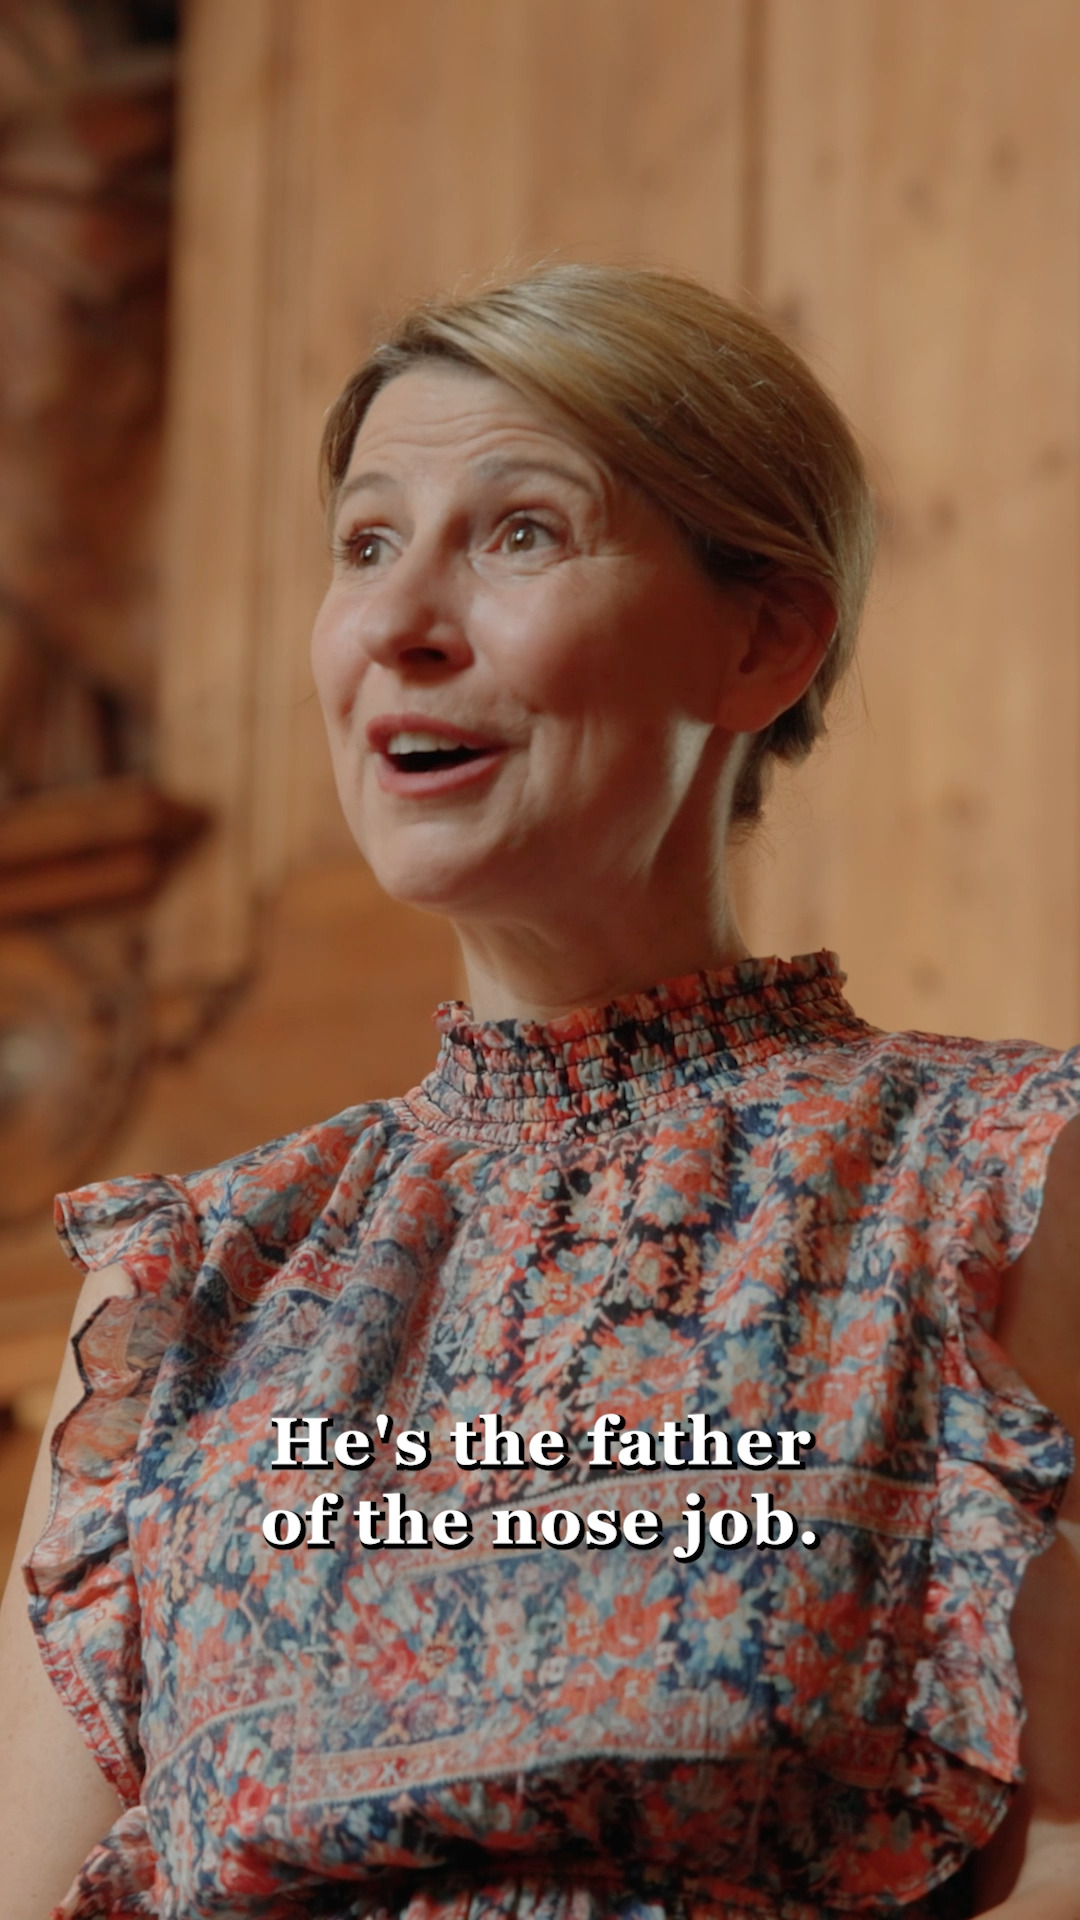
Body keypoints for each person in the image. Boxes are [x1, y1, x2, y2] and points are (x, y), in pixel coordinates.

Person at [1, 263, 1077, 1920]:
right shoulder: (191, 1281)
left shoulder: (1001, 1174)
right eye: (367, 544)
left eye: (519, 534)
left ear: (766, 638)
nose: (399, 624)